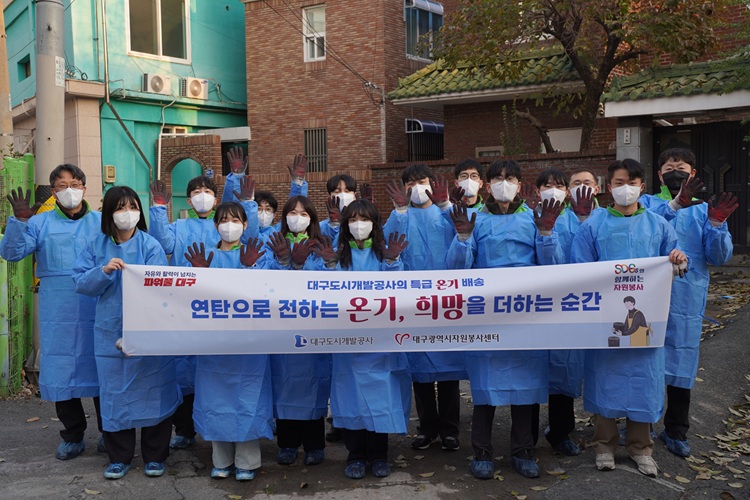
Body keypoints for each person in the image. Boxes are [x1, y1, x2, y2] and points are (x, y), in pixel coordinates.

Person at [570, 158, 688, 478]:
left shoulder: (658, 225)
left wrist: (678, 259)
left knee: (643, 380)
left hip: (646, 320)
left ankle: (640, 447)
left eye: (631, 183)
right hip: (605, 319)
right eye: (619, 183)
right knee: (605, 378)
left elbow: (677, 261)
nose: (626, 189)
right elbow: (580, 268)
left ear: (642, 187)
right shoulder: (593, 225)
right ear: (609, 187)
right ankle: (604, 445)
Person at [447, 159, 564, 479]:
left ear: (519, 184)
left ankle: (523, 451)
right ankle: (482, 452)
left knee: (526, 386)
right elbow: (456, 271)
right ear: (487, 185)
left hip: (526, 315)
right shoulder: (476, 219)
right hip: (487, 316)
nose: (503, 183)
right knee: (486, 387)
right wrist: (462, 238)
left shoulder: (533, 218)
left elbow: (555, 270)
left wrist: (546, 234)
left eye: (509, 178)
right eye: (497, 178)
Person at [73, 186, 181, 480]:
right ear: (109, 213)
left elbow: (161, 286)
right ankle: (119, 457)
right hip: (110, 332)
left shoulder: (150, 245)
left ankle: (155, 456)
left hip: (148, 329)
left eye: (132, 207)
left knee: (154, 390)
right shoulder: (96, 246)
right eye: (120, 208)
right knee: (114, 394)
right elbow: (80, 283)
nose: (127, 213)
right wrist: (103, 272)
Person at [0, 164, 104, 460]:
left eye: (74, 184)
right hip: (58, 308)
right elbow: (11, 253)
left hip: (98, 304)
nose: (69, 190)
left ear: (84, 187)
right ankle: (73, 435)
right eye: (61, 185)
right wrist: (19, 223)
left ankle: (111, 433)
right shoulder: (39, 223)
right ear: (53, 192)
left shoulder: (101, 222)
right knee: (61, 369)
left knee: (103, 366)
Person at [149, 174, 258, 450]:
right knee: (183, 371)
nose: (202, 195)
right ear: (188, 200)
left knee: (216, 371)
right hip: (185, 304)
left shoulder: (222, 224)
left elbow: (249, 240)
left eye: (207, 190)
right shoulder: (179, 226)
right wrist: (159, 209)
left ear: (216, 199)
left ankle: (220, 430)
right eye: (196, 191)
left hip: (222, 308)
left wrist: (247, 201)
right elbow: (164, 244)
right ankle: (185, 430)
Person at [640, 147, 735, 457]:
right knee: (645, 360)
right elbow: (639, 235)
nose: (675, 172)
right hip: (646, 296)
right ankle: (640, 426)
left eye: (681, 168)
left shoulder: (704, 210)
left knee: (681, 360)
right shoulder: (646, 204)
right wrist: (674, 204)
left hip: (686, 297)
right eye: (669, 168)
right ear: (659, 175)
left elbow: (718, 257)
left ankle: (676, 430)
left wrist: (717, 225)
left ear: (693, 174)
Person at [183, 202, 274, 481]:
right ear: (215, 225)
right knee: (216, 398)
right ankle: (221, 460)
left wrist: (250, 268)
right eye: (223, 220)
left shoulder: (257, 255)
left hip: (249, 343)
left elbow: (269, 292)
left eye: (236, 220)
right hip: (214, 343)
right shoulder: (204, 256)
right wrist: (199, 274)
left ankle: (247, 462)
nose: (229, 225)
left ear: (246, 225)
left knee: (247, 398)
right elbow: (188, 297)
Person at [323, 200, 411, 479]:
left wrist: (393, 262)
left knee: (380, 397)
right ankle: (356, 455)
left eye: (364, 219)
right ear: (345, 226)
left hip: (380, 343)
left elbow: (399, 292)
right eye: (353, 219)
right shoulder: (339, 256)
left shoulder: (384, 254)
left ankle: (379, 455)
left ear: (375, 224)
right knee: (351, 398)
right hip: (347, 344)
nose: (359, 225)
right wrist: (329, 266)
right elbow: (324, 293)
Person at [383, 164, 464, 453]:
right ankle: (427, 429)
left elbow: (463, 239)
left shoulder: (445, 213)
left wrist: (447, 206)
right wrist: (400, 211)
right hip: (412, 303)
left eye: (422, 181)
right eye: (411, 183)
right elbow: (388, 247)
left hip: (446, 302)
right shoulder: (399, 216)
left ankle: (450, 430)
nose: (417, 188)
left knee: (449, 369)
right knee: (420, 370)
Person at [534, 168, 598, 457]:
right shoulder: (530, 217)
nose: (553, 190)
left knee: (565, 369)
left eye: (559, 185)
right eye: (547, 185)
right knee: (531, 370)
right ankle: (524, 436)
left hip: (574, 304)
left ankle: (560, 431)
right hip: (537, 305)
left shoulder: (587, 217)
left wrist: (584, 219)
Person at [265, 196, 332, 466]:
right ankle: (287, 443)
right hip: (281, 328)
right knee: (284, 385)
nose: (297, 218)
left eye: (304, 214)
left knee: (313, 385)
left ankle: (315, 444)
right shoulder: (274, 244)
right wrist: (284, 261)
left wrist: (305, 266)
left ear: (312, 219)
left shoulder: (321, 246)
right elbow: (263, 281)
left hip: (313, 328)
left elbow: (331, 285)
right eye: (292, 213)